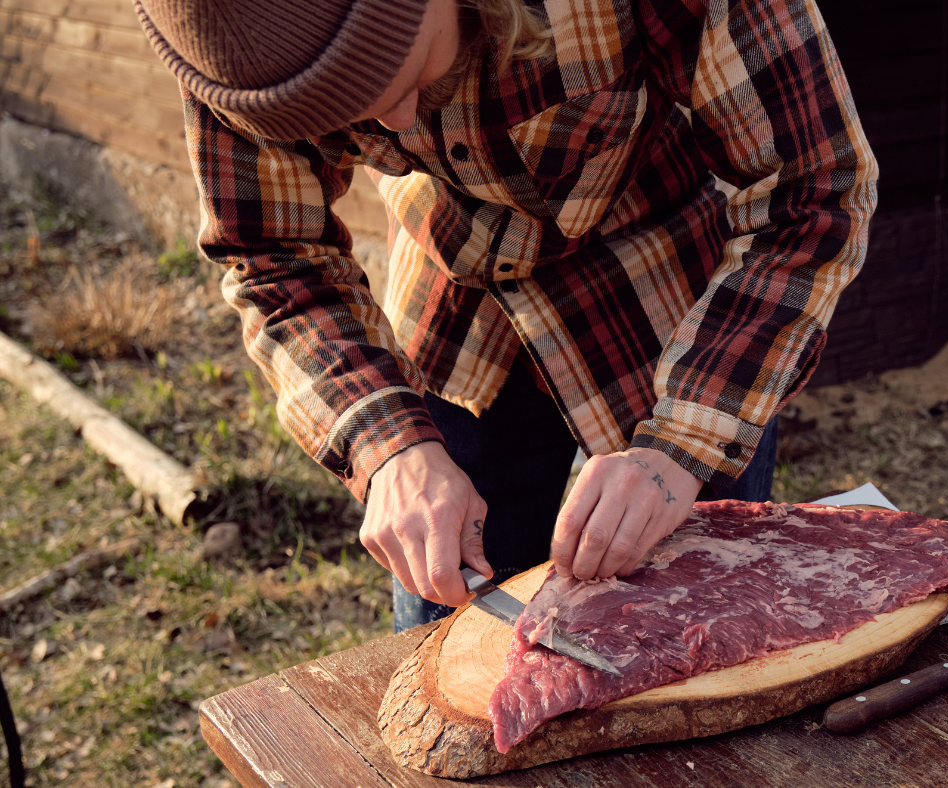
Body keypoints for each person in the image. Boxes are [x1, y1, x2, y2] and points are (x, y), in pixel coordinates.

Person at [134, 0, 877, 631]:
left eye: (399, 73)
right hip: (460, 326)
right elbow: (271, 254)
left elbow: (815, 189)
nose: (392, 123)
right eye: (341, 120)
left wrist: (683, 445)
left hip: (670, 306)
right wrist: (385, 443)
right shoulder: (224, 34)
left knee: (706, 635)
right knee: (455, 651)